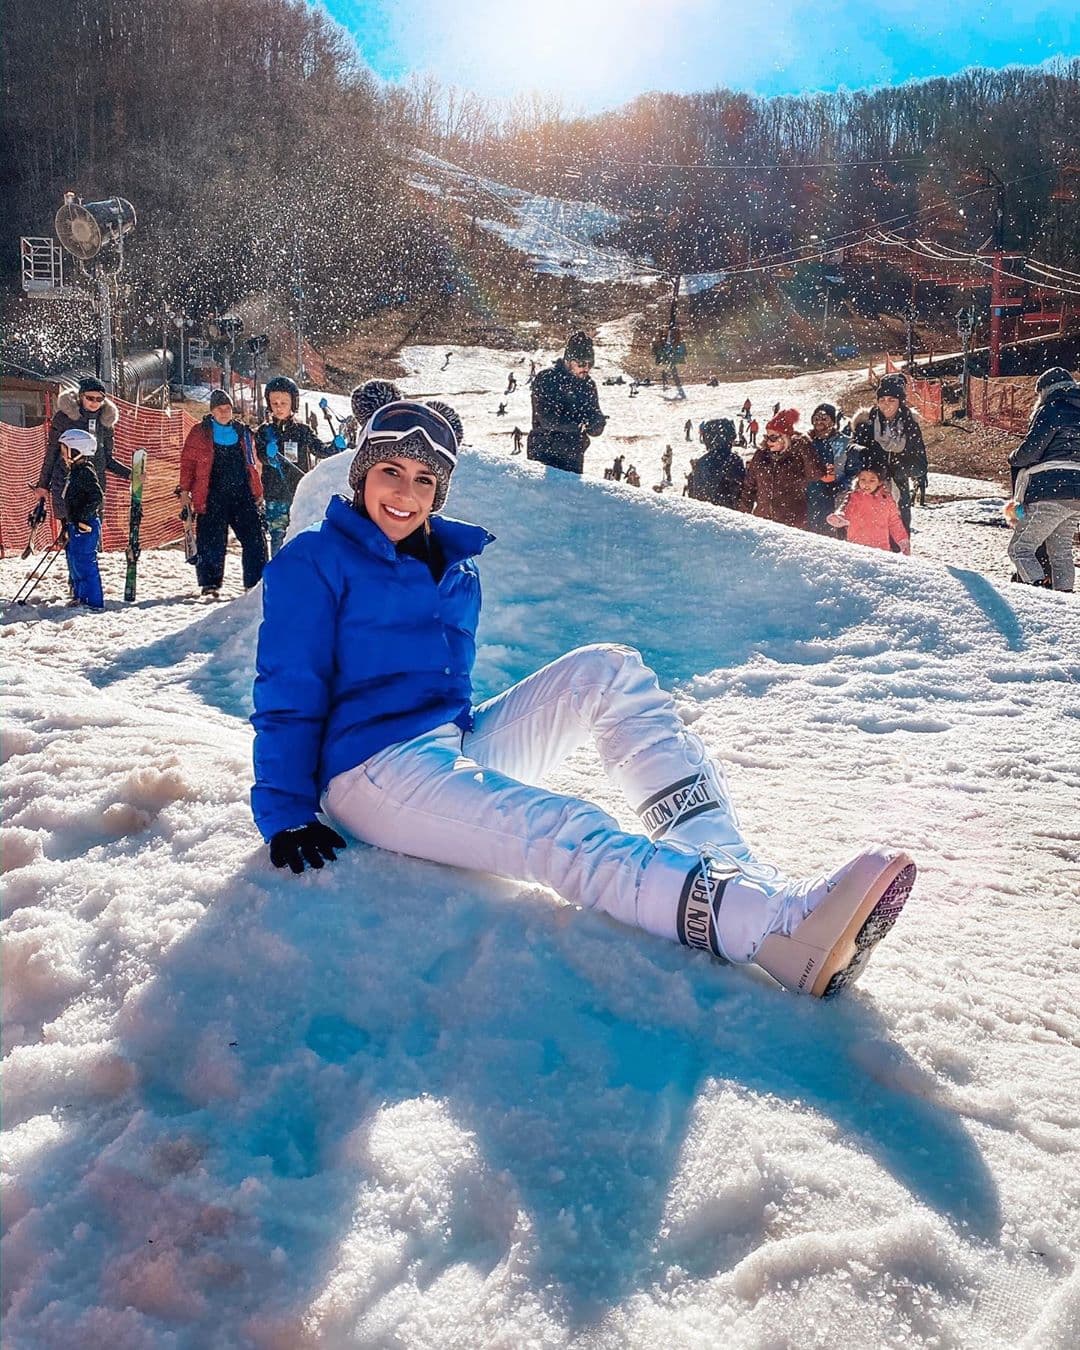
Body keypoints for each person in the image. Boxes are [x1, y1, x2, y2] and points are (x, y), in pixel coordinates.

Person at [250, 393, 916, 999]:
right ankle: (765, 929)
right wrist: (285, 812)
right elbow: (288, 691)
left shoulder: (452, 567)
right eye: (391, 470)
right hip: (371, 774)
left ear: (440, 492)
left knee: (608, 671)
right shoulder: (314, 562)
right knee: (564, 829)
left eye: (425, 479)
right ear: (361, 473)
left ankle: (738, 875)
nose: (406, 491)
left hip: (444, 747)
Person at [179, 389, 266, 599]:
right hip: (211, 493)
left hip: (241, 493)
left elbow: (253, 461)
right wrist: (184, 491)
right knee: (211, 540)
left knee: (254, 537)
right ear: (212, 411)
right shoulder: (200, 432)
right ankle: (210, 584)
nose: (224, 412)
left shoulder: (242, 431)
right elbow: (188, 463)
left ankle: (255, 582)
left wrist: (257, 490)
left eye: (227, 408)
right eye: (220, 409)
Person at [1005, 366, 1080, 592]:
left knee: (1020, 549)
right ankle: (1065, 600)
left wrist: (1013, 457)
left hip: (1051, 489)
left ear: (1044, 391)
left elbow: (1030, 451)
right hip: (1077, 494)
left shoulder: (1050, 409)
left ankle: (1038, 594)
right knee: (1061, 552)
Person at [255, 376, 342, 557]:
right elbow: (261, 455)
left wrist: (335, 446)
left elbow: (320, 450)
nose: (279, 407)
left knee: (301, 537)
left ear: (293, 403)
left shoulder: (302, 431)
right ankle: (281, 576)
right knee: (278, 538)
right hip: (275, 495)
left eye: (284, 403)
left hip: (300, 494)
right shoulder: (264, 431)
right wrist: (269, 457)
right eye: (275, 403)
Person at [34, 376, 131, 527]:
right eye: (90, 398)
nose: (95, 403)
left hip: (93, 481)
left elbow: (107, 459)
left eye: (99, 399)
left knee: (91, 527)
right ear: (81, 396)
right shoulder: (65, 418)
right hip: (66, 481)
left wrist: (129, 473)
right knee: (71, 529)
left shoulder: (105, 421)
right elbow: (52, 452)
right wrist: (43, 484)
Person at [527, 331, 606, 475]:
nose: (586, 368)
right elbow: (546, 420)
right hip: (544, 453)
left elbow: (596, 415)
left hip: (574, 454)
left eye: (590, 364)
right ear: (568, 361)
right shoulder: (547, 379)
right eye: (582, 363)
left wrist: (596, 424)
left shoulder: (588, 384)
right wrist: (578, 425)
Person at [738, 410, 825, 529]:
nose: (768, 441)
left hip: (792, 524)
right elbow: (749, 487)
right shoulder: (761, 456)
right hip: (762, 521)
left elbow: (817, 474)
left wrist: (805, 447)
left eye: (773, 437)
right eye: (767, 437)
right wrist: (744, 515)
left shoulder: (798, 456)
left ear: (785, 437)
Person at [866, 376, 928, 531]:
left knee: (899, 525)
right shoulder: (867, 421)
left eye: (891, 400)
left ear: (900, 402)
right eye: (882, 400)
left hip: (898, 485)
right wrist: (862, 454)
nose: (886, 404)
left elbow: (920, 460)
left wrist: (901, 470)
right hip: (870, 483)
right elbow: (852, 447)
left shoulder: (910, 425)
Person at [57, 429, 104, 610]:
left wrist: (82, 518)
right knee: (75, 561)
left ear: (76, 450)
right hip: (75, 524)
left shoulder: (85, 471)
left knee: (85, 563)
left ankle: (93, 602)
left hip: (86, 525)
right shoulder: (75, 471)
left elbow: (96, 496)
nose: (63, 454)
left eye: (65, 450)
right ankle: (79, 596)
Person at [827, 455, 910, 555]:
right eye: (863, 480)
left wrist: (902, 540)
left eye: (872, 480)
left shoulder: (887, 500)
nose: (867, 484)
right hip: (857, 545)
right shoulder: (854, 496)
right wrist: (839, 517)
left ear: (880, 482)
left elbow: (894, 522)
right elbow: (845, 509)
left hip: (881, 548)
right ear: (858, 480)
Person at [807, 403, 860, 535]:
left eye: (824, 418)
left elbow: (854, 472)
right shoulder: (806, 442)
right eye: (816, 418)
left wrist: (841, 485)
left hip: (836, 498)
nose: (819, 421)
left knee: (833, 536)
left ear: (833, 421)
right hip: (810, 496)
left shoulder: (845, 442)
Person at [686, 419, 745, 509]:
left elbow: (694, 493)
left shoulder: (702, 462)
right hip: (727, 515)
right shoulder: (734, 461)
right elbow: (741, 493)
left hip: (703, 514)